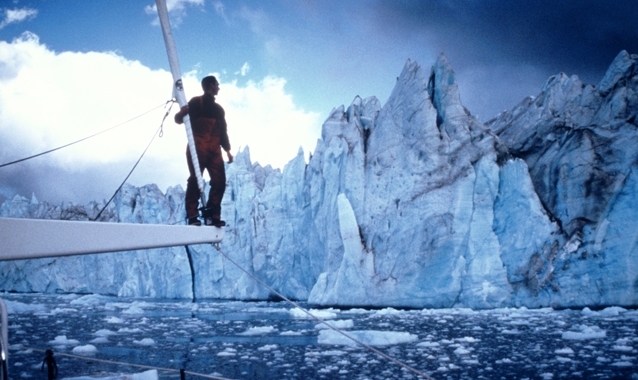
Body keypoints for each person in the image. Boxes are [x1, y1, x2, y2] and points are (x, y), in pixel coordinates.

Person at [174, 75, 233, 226]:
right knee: (195, 179)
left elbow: (223, 131)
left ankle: (213, 215)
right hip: (198, 146)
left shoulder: (219, 109)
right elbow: (178, 119)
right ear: (211, 85)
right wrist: (182, 113)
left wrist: (227, 150)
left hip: (215, 150)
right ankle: (192, 216)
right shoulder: (196, 102)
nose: (219, 87)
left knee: (220, 182)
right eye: (217, 84)